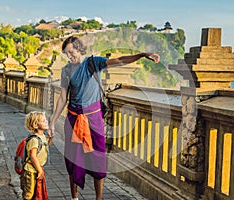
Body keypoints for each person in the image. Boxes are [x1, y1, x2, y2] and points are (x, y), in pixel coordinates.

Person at [48, 35, 159, 200]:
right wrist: (52, 122)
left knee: (98, 161)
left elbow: (120, 60)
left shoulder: (93, 63)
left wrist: (142, 55)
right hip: (73, 119)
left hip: (94, 120)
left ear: (79, 48)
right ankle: (74, 198)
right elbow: (63, 98)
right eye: (66, 54)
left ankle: (98, 198)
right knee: (73, 162)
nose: (69, 56)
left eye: (71, 52)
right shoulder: (66, 70)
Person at [21, 111, 53, 200]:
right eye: (43, 121)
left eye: (46, 120)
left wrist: (51, 138)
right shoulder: (34, 140)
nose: (46, 121)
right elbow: (33, 156)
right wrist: (40, 170)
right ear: (35, 125)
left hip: (36, 168)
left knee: (36, 191)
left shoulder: (42, 136)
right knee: (29, 192)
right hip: (30, 170)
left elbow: (46, 146)